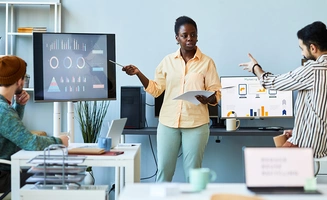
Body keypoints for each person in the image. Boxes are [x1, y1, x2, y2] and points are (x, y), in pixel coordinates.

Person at [122, 16, 221, 182]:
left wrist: (208, 98)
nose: (189, 38)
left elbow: (216, 93)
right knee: (164, 172)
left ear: (197, 36)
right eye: (184, 35)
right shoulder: (167, 62)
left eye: (193, 34)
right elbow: (156, 90)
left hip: (196, 124)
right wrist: (138, 73)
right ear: (177, 38)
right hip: (168, 123)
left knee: (193, 174)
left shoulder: (207, 63)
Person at [239, 21, 327, 158]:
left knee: (268, 168)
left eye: (301, 48)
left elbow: (271, 82)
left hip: (306, 149)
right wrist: (299, 130)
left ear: (313, 48)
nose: (302, 53)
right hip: (322, 149)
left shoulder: (314, 70)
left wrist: (255, 67)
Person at [0, 55, 69, 192]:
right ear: (18, 81)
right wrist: (59, 140)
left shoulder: (4, 107)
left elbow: (11, 132)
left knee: (42, 171)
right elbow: (30, 142)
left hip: (6, 170)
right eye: (24, 77)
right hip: (3, 178)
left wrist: (19, 106)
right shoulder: (3, 110)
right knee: (52, 176)